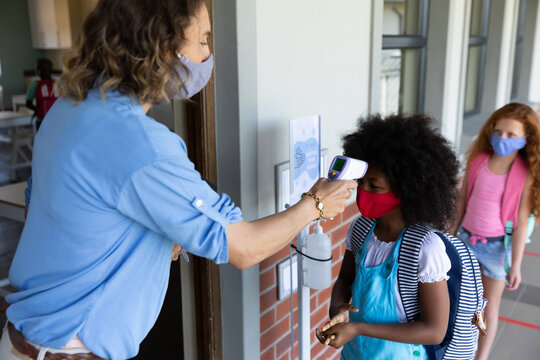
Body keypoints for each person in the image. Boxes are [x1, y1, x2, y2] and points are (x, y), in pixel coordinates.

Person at [0, 1, 357, 359]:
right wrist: (316, 204)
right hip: (68, 351)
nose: (207, 55)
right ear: (161, 48)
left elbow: (67, 216)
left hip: (25, 340)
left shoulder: (69, 108)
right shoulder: (139, 144)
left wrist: (144, 242)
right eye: (202, 40)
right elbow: (244, 248)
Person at [316, 114, 461, 359]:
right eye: (361, 182)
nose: (363, 192)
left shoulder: (425, 247)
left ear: (407, 189)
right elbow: (345, 279)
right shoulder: (361, 229)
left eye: (375, 186)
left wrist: (358, 327)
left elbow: (434, 330)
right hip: (356, 353)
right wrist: (337, 308)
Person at [449, 103, 540, 360]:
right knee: (461, 300)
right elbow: (461, 203)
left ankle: (481, 356)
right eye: (498, 132)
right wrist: (450, 236)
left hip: (497, 249)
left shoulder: (524, 175)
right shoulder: (478, 161)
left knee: (489, 308)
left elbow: (521, 223)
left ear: (526, 139)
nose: (502, 139)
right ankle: (457, 346)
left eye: (511, 135)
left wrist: (516, 265)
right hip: (466, 239)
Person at [25, 58, 57, 130]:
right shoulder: (57, 84)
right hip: (56, 119)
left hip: (41, 119)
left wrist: (37, 109)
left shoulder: (35, 85)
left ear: (38, 71)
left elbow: (28, 103)